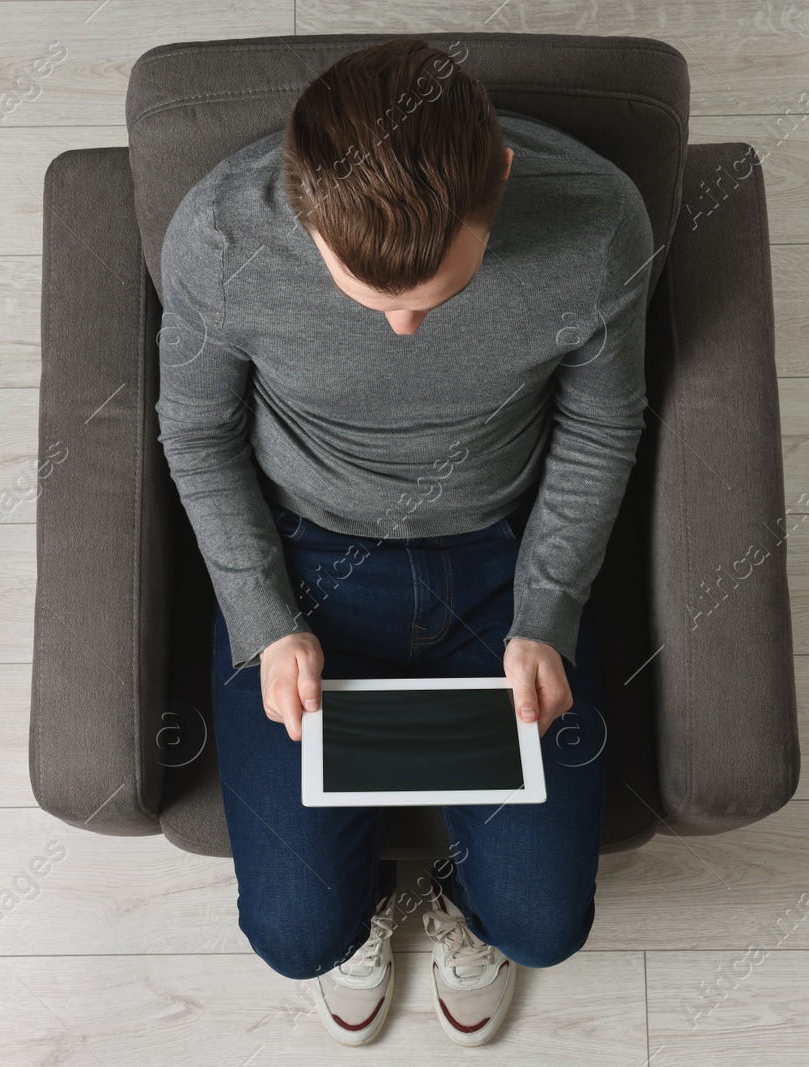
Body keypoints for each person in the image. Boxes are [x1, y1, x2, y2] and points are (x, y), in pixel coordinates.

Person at [154, 35, 652, 1047]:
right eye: (371, 298)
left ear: (499, 178)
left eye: (436, 297)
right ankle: (366, 893)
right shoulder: (220, 234)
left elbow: (603, 425)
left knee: (543, 924)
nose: (404, 333)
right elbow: (196, 433)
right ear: (301, 204)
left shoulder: (596, 224)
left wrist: (546, 612)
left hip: (499, 561)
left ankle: (467, 903)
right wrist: (267, 622)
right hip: (304, 558)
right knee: (294, 935)